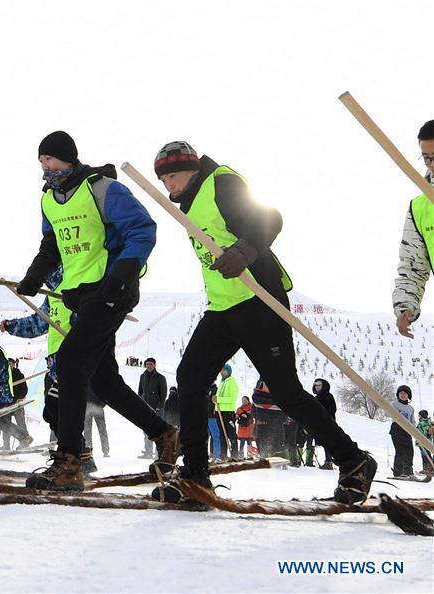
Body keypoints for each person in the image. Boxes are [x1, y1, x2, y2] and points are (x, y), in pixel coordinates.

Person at [151, 140, 374, 504]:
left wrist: (244, 250)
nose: (169, 187)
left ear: (192, 170)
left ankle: (353, 461)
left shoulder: (222, 183)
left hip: (259, 301)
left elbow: (269, 218)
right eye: (163, 181)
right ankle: (195, 472)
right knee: (190, 378)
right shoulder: (188, 204)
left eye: (172, 177)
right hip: (223, 308)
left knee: (286, 393)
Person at [17, 131, 177, 491]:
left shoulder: (102, 188)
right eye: (41, 160)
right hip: (80, 296)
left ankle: (70, 460)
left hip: (111, 289)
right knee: (102, 380)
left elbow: (143, 229)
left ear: (68, 158)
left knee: (71, 360)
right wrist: (33, 277)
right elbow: (51, 247)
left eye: (50, 159)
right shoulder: (49, 200)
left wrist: (122, 274)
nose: (45, 166)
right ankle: (165, 434)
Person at [0, 266, 71, 447]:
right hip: (54, 363)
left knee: (61, 409)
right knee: (53, 411)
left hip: (72, 359)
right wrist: (12, 326)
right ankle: (69, 452)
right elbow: (38, 323)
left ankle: (76, 453)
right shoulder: (53, 296)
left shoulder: (76, 290)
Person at [393, 120, 434, 340]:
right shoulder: (420, 207)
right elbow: (413, 267)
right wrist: (406, 307)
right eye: (427, 158)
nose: (432, 164)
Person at [138, 358, 167, 457]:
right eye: (147, 364)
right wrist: (140, 403)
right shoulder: (143, 376)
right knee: (146, 431)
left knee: (158, 431)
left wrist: (159, 407)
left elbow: (163, 394)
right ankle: (148, 452)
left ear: (155, 365)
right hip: (145, 408)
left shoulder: (160, 378)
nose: (149, 366)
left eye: (151, 364)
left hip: (157, 409)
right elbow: (140, 392)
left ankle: (159, 452)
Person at [309, 378, 337, 469]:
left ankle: (328, 462)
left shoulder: (329, 397)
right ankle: (309, 460)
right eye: (315, 385)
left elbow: (332, 410)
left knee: (327, 443)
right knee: (310, 441)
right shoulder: (315, 398)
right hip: (315, 424)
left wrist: (323, 417)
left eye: (319, 385)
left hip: (327, 424)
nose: (317, 387)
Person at [390, 385, 416, 477]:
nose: (403, 395)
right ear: (398, 395)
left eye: (405, 393)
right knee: (400, 451)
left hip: (408, 430)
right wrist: (397, 413)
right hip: (397, 428)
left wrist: (414, 429)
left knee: (410, 451)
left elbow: (412, 420)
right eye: (401, 393)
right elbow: (387, 412)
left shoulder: (410, 408)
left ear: (409, 396)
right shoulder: (394, 404)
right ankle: (398, 472)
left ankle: (408, 471)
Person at [216, 364, 239, 459]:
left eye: (224, 370)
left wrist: (218, 399)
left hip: (228, 412)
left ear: (228, 371)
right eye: (221, 370)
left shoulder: (232, 382)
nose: (222, 372)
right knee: (222, 435)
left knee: (231, 434)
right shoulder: (221, 383)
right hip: (219, 411)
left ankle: (234, 455)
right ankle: (223, 456)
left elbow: (232, 399)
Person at [84, 391, 110, 457]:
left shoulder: (84, 380)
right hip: (96, 406)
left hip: (89, 406)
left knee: (88, 431)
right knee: (102, 430)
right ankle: (105, 451)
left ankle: (89, 451)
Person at [416, 410, 433, 475]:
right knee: (427, 455)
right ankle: (428, 468)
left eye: (419, 415)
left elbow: (421, 432)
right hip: (427, 442)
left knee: (425, 456)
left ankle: (427, 469)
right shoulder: (429, 422)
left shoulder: (422, 423)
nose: (418, 417)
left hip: (423, 443)